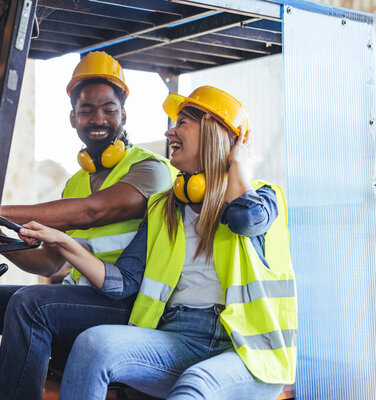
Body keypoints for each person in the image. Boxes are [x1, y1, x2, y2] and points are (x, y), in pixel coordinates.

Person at [16, 86, 297, 400]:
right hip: (178, 337)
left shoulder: (265, 197)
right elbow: (122, 283)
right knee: (93, 344)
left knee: (193, 387)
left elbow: (245, 221)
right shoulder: (163, 208)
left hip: (246, 351)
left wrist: (237, 163)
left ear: (213, 133)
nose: (170, 131)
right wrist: (63, 242)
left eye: (182, 123)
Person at [0, 51, 174, 398]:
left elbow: (92, 212)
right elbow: (48, 262)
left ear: (123, 114)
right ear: (73, 117)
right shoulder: (75, 183)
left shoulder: (150, 169)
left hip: (129, 298)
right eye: (87, 109)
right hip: (83, 294)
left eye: (108, 108)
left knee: (31, 304)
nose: (98, 117)